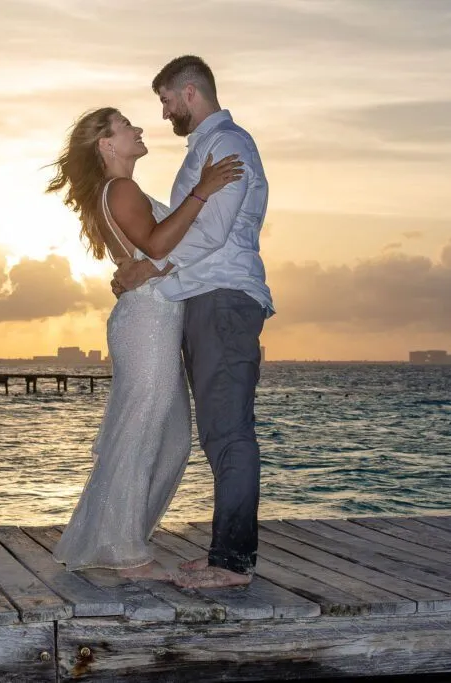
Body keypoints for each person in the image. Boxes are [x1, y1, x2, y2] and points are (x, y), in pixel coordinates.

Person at [46, 106, 243, 578]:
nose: (137, 129)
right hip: (147, 322)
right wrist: (202, 192)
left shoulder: (120, 189)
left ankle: (119, 536)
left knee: (171, 439)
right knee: (142, 433)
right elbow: (157, 244)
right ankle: (125, 553)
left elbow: (158, 253)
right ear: (107, 145)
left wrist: (160, 256)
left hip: (156, 319)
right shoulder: (121, 188)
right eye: (125, 126)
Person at [112, 56, 274, 589]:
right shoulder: (208, 150)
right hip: (207, 296)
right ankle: (223, 554)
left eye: (165, 100)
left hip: (224, 298)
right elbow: (192, 228)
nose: (162, 113)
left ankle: (232, 564)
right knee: (217, 432)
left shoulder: (228, 145)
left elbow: (212, 233)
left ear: (188, 92)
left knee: (228, 432)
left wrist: (150, 267)